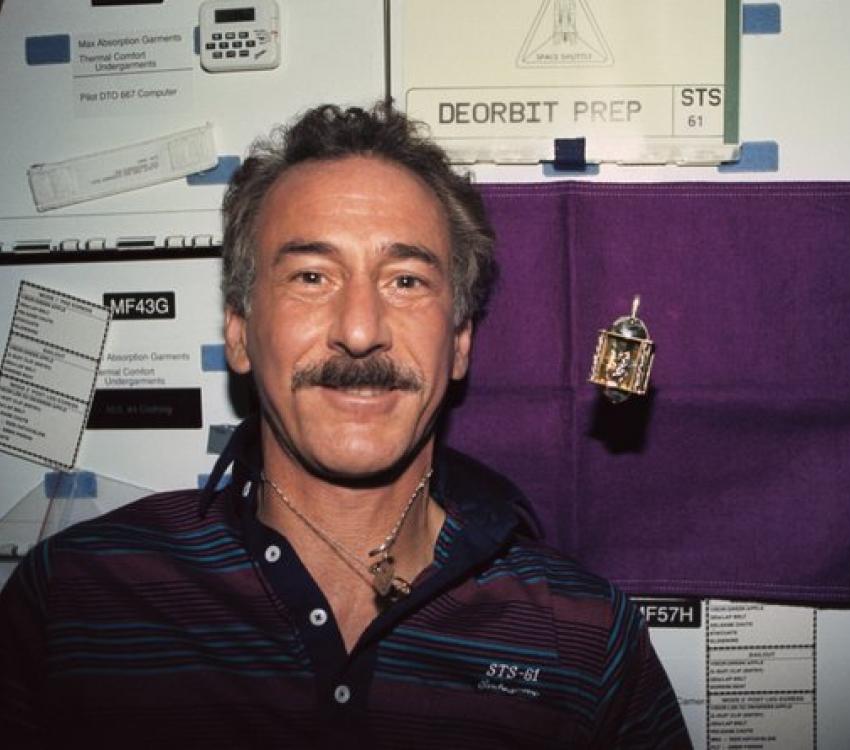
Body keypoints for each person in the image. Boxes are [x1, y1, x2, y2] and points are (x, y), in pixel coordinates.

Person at [0, 103, 692, 749]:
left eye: (406, 281)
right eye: (310, 277)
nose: (360, 332)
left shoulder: (584, 637)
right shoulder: (73, 600)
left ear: (459, 345)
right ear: (239, 334)